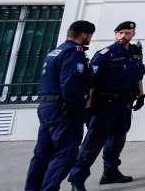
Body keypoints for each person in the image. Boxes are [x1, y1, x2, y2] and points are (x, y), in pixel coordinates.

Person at [67, 21, 145, 190]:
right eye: (120, 33)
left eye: (127, 33)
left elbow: (138, 75)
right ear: (115, 34)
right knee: (93, 143)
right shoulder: (104, 54)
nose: (123, 36)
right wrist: (87, 106)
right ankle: (77, 180)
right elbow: (91, 82)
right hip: (105, 105)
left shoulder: (136, 53)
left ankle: (110, 172)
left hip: (125, 104)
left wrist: (141, 95)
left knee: (117, 141)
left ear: (133, 34)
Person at [25, 19, 96, 191]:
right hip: (63, 109)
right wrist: (80, 109)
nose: (90, 39)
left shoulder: (55, 51)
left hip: (46, 107)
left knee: (42, 154)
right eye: (90, 35)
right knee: (66, 152)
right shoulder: (74, 52)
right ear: (84, 34)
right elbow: (70, 85)